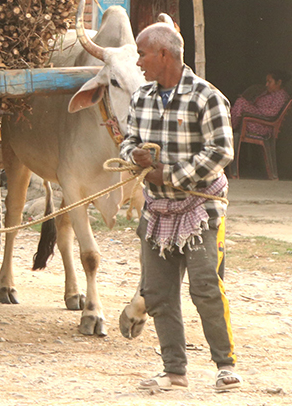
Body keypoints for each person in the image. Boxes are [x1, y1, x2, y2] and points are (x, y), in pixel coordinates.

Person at [119, 23, 241, 392]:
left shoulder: (207, 97)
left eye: (141, 54)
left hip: (200, 210)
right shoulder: (141, 98)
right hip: (157, 211)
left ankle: (225, 365)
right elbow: (126, 144)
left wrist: (169, 175)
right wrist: (134, 156)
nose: (138, 62)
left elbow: (221, 151)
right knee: (157, 292)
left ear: (163, 55)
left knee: (205, 285)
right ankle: (174, 371)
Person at [231, 70, 290, 140]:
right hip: (254, 118)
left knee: (240, 102)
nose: (266, 85)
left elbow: (273, 112)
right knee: (231, 107)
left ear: (279, 82)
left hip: (262, 126)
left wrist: (253, 109)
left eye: (269, 82)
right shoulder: (268, 93)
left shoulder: (281, 95)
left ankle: (231, 127)